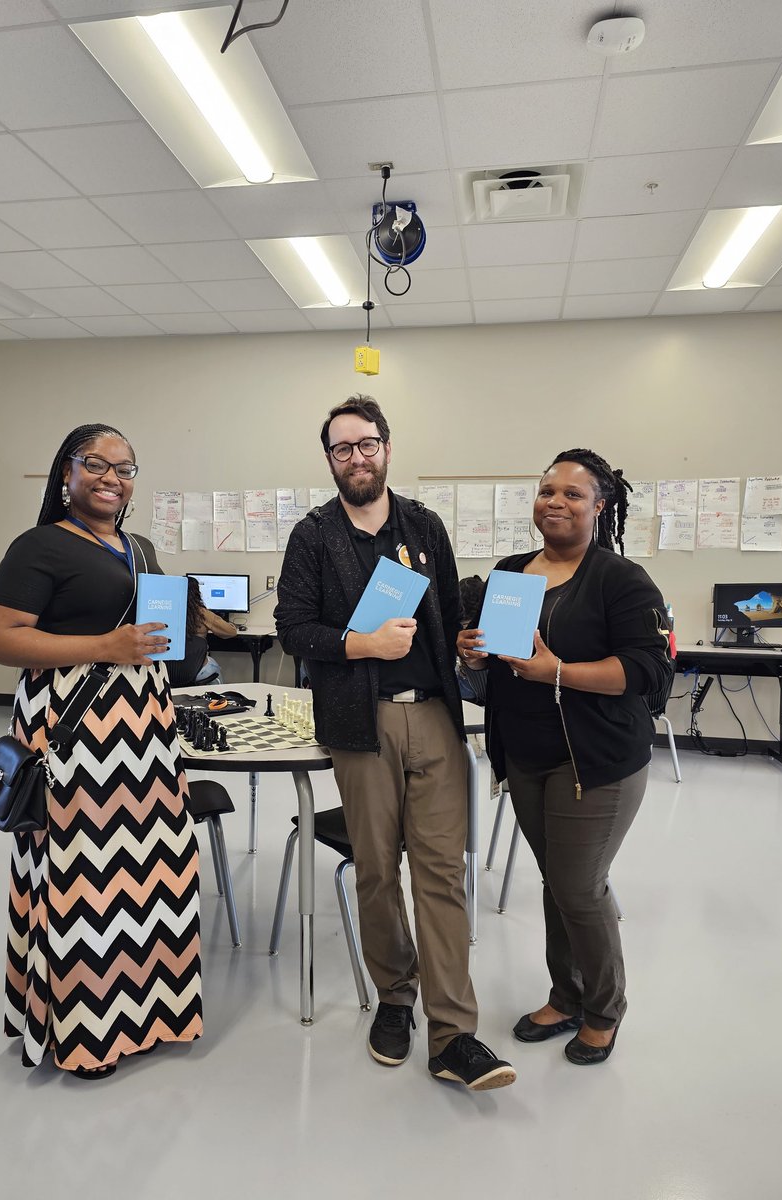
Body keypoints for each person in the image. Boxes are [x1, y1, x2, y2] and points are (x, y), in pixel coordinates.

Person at [276, 395, 515, 1091]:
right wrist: (362, 643)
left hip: (435, 717)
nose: (357, 457)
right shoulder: (314, 536)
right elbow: (294, 628)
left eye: (367, 444)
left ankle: (454, 1035)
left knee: (441, 873)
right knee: (377, 870)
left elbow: (448, 615)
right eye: (343, 448)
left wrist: (470, 650)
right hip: (361, 723)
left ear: (386, 447)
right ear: (330, 459)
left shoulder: (423, 525)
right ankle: (395, 996)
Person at [0, 423, 203, 1079]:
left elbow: (148, 630)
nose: (112, 478)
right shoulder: (40, 545)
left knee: (155, 873)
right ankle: (87, 1034)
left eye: (125, 468)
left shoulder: (139, 546)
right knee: (82, 881)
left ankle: (153, 1014)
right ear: (67, 473)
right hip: (76, 730)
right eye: (97, 464)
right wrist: (105, 647)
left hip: (147, 729)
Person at [457, 448, 671, 1065]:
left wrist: (559, 671)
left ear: (599, 506)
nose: (555, 502)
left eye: (573, 494)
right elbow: (499, 655)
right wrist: (474, 651)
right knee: (559, 882)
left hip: (596, 761)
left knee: (579, 886)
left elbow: (648, 672)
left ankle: (604, 1010)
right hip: (526, 756)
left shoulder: (620, 580)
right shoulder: (511, 572)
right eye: (547, 490)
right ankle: (567, 995)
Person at [169, 576, 238, 688]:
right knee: (215, 668)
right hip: (197, 670)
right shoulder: (202, 613)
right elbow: (231, 632)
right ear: (197, 593)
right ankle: (218, 697)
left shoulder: (167, 611)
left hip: (170, 672)